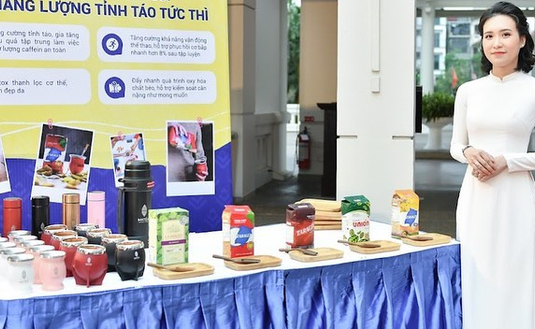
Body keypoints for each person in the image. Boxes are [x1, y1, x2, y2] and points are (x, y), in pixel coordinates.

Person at [449, 2, 535, 328]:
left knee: (517, 275)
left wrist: (507, 161)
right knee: (475, 272)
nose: (496, 43)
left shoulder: (532, 89)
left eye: (505, 34)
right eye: (489, 35)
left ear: (522, 39)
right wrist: (470, 152)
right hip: (475, 197)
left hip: (516, 197)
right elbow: (456, 145)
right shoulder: (469, 90)